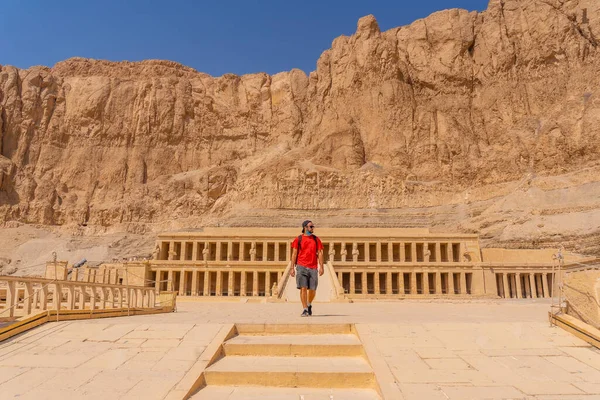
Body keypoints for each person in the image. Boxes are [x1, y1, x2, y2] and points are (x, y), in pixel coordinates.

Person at [289, 220, 324, 317]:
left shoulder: (316, 239)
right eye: (311, 226)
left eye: (313, 226)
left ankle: (309, 304)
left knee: (312, 289)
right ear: (305, 227)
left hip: (313, 267)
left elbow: (320, 253)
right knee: (303, 288)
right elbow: (294, 253)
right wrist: (292, 268)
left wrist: (322, 266)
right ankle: (304, 309)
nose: (313, 228)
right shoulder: (298, 239)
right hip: (301, 266)